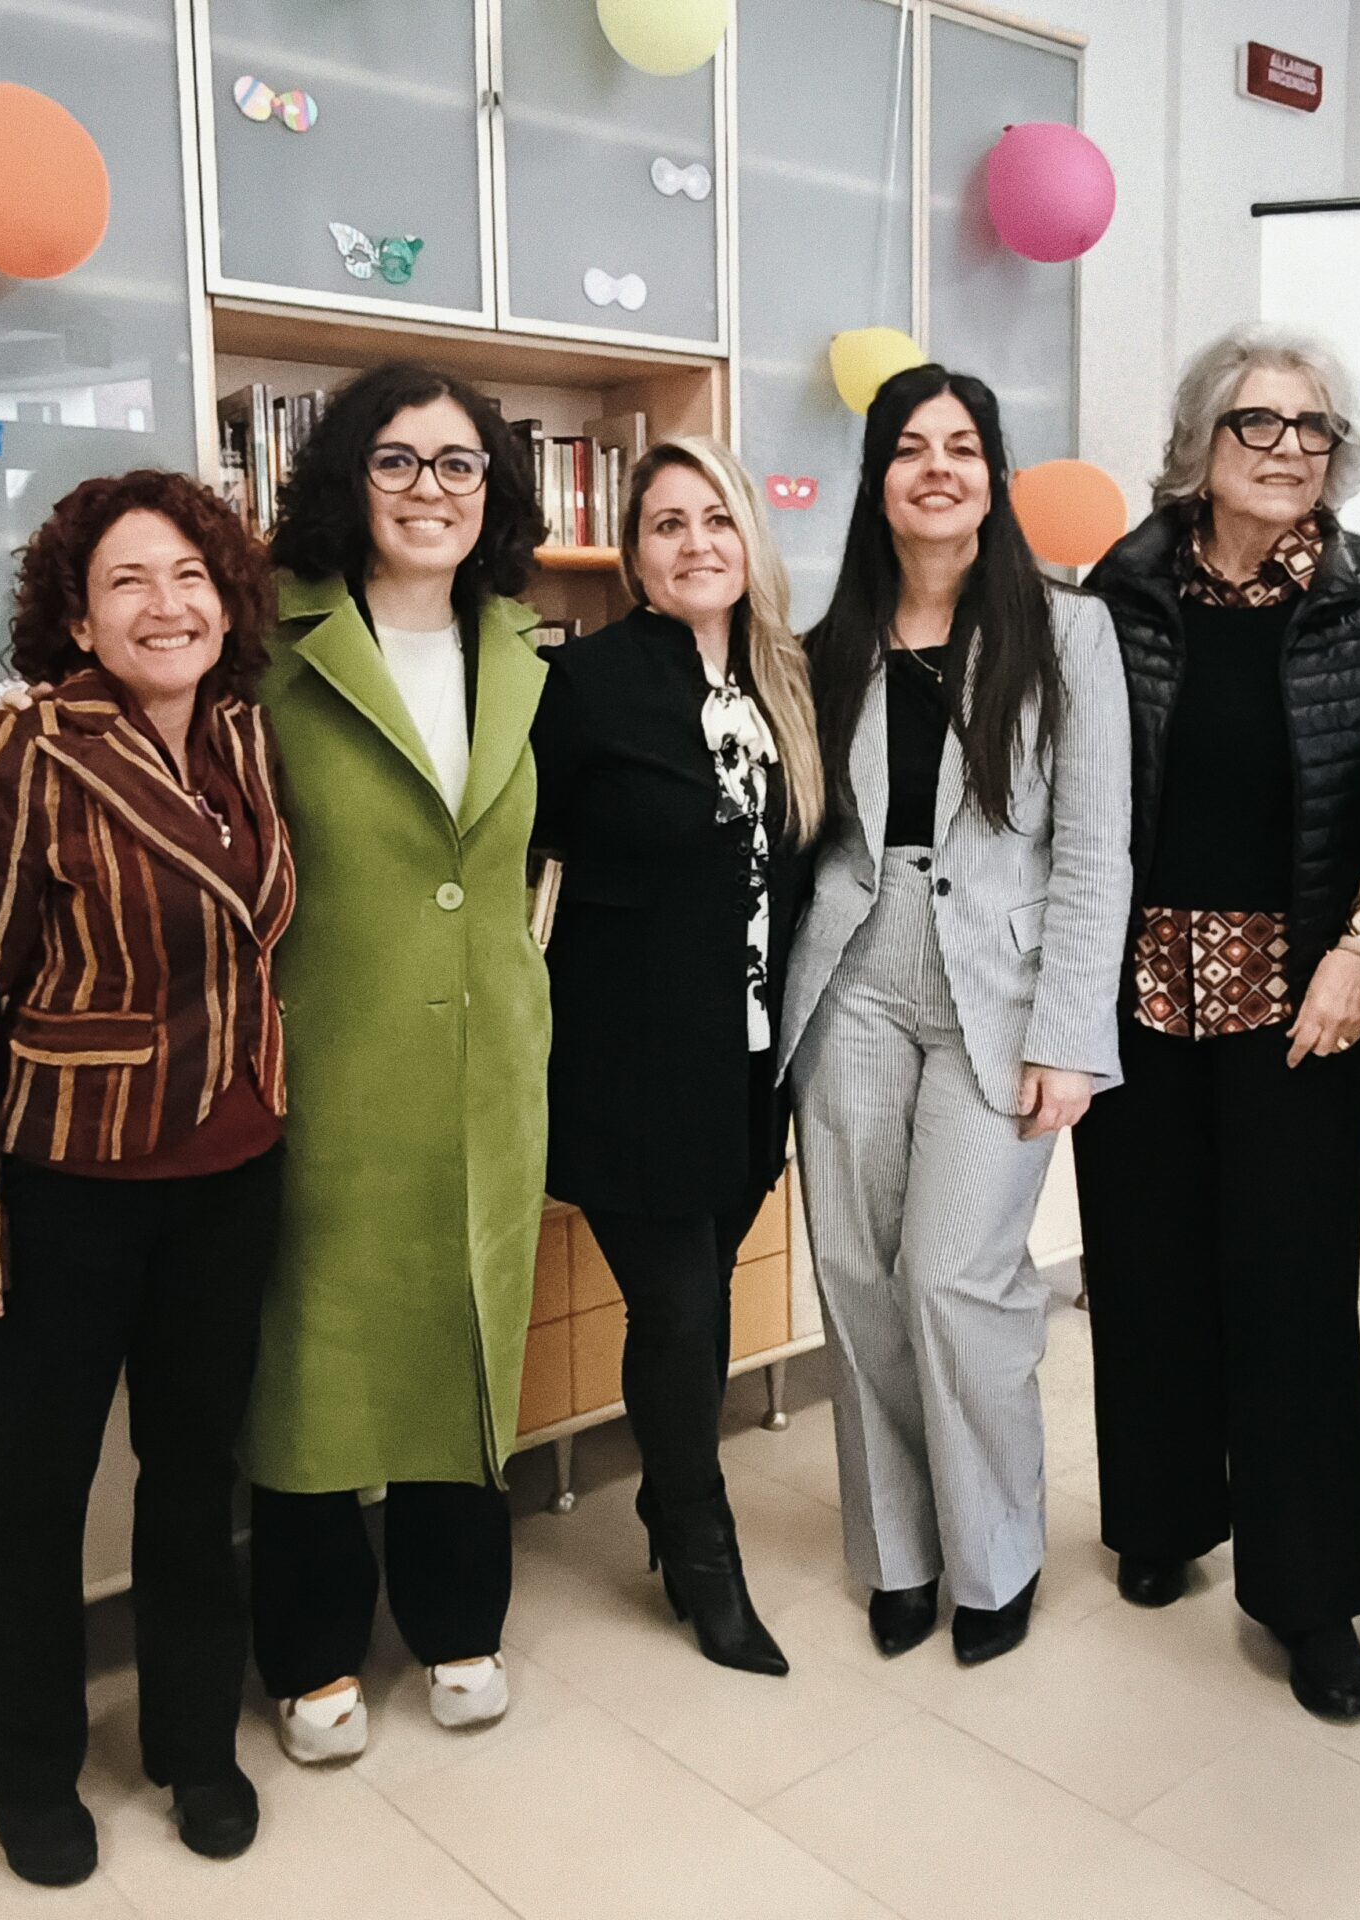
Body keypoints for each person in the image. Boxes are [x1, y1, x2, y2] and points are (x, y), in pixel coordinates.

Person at [0, 471, 293, 1886]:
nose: (165, 605)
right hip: (66, 1188)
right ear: (76, 618)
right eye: (128, 581)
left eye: (190, 575)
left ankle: (195, 1743)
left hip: (231, 1170)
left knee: (193, 1479)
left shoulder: (246, 734)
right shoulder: (22, 753)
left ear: (227, 600)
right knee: (35, 1497)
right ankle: (25, 1770)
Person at [1073, 326, 1360, 1723]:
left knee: (1290, 1298)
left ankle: (1309, 1594)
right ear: (1200, 441)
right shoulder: (1124, 585)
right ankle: (1161, 1518)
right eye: (1258, 424)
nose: (1288, 450)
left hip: (1303, 1000)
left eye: (1312, 427)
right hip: (1139, 991)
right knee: (1146, 1272)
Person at [779, 363, 1130, 1668]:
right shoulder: (829, 643)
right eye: (911, 447)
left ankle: (995, 1555)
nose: (938, 468)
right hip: (852, 977)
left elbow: (1094, 850)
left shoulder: (1068, 634)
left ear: (993, 476)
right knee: (859, 1277)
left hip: (1001, 982)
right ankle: (900, 1554)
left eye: (963, 447)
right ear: (878, 479)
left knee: (953, 1277)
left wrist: (1071, 1039)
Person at [243, 363, 551, 1762]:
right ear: (347, 479)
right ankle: (309, 1647)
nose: (431, 490)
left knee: (467, 1335)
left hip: (489, 1063)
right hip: (329, 1055)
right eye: (398, 461)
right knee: (313, 1357)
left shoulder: (525, 649)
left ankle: (457, 1618)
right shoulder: (273, 641)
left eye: (459, 464)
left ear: (492, 491)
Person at [529, 437, 824, 1675]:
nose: (695, 543)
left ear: (748, 535)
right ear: (633, 555)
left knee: (701, 1306)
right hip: (628, 1065)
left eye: (715, 518)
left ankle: (665, 1497)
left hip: (751, 1067)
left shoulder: (786, 683)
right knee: (678, 1308)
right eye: (665, 524)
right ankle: (705, 1558)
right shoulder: (582, 684)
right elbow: (517, 843)